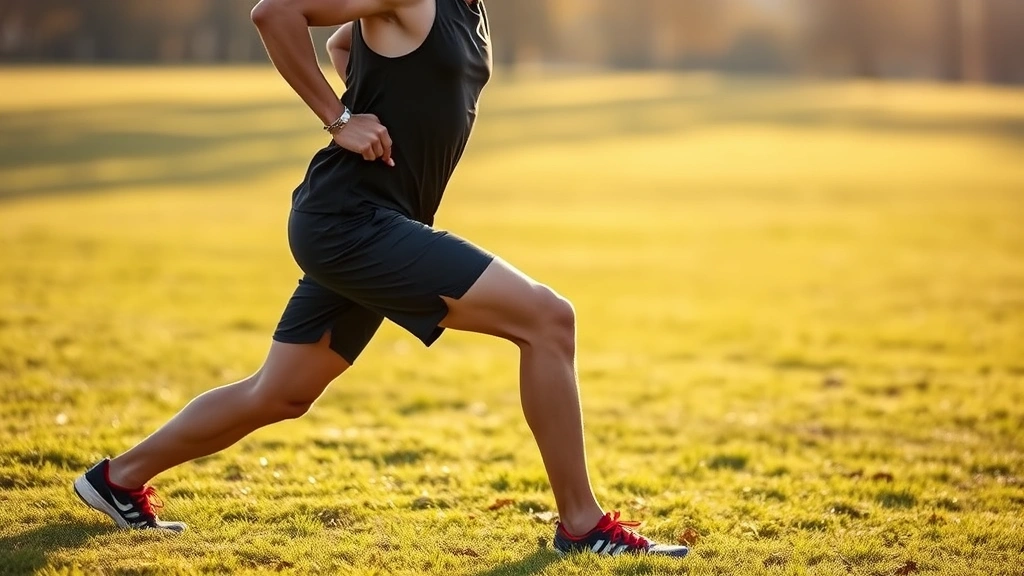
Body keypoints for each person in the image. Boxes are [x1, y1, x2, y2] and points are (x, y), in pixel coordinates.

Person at [72, 0, 688, 558]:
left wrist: (368, 93)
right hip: (351, 220)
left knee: (280, 393)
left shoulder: (463, 11)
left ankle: (116, 479)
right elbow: (274, 13)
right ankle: (581, 525)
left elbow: (347, 44)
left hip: (373, 222)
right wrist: (340, 117)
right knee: (548, 320)